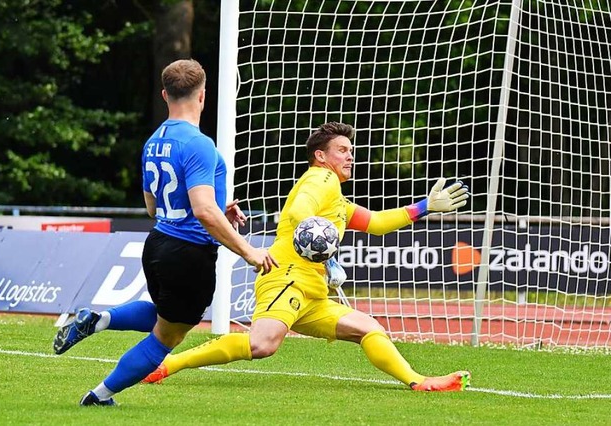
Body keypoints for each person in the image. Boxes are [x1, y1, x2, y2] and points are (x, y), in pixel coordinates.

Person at [140, 121, 472, 392]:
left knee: (368, 328)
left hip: (311, 290)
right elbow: (300, 212)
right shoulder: (321, 177)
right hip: (286, 277)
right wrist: (327, 257)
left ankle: (419, 381)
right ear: (321, 156)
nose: (349, 156)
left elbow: (375, 223)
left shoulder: (337, 200)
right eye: (342, 150)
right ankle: (167, 365)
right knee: (262, 345)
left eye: (351, 150)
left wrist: (424, 207)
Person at [52, 58, 278, 406]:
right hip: (188, 252)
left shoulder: (154, 141)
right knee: (167, 337)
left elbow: (154, 207)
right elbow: (202, 210)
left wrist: (218, 208)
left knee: (165, 313)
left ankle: (100, 319)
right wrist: (249, 251)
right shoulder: (199, 143)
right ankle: (99, 395)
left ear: (164, 94)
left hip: (158, 242)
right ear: (203, 95)